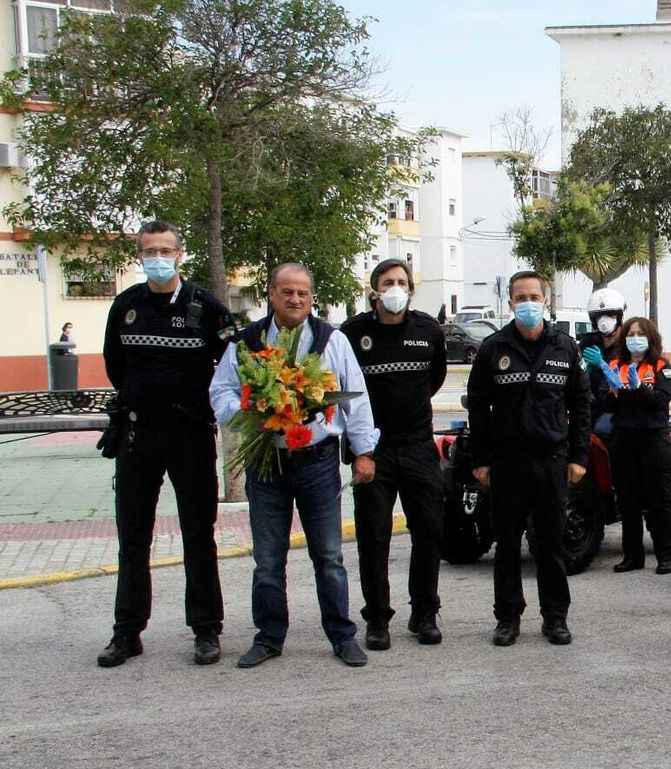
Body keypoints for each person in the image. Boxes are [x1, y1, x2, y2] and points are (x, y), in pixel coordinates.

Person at [210, 263, 379, 668]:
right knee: (268, 558)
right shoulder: (246, 342)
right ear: (271, 294)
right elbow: (221, 391)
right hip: (266, 461)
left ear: (311, 297)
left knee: (329, 556)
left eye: (302, 293)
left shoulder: (331, 340)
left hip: (317, 461)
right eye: (287, 292)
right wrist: (251, 408)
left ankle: (341, 636)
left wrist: (364, 450)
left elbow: (355, 399)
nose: (295, 299)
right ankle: (269, 637)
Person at [96, 220, 231, 668]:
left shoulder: (206, 308)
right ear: (139, 256)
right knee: (132, 538)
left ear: (180, 254)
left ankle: (206, 630)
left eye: (165, 250)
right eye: (149, 250)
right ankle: (127, 632)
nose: (157, 258)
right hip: (138, 436)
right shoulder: (126, 306)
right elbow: (117, 366)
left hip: (190, 435)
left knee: (199, 535)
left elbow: (229, 368)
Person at [465, 271, 589, 647]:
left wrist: (578, 456)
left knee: (551, 544)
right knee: (506, 544)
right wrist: (480, 460)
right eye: (521, 297)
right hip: (506, 462)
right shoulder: (492, 349)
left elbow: (581, 405)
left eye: (535, 296)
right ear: (510, 303)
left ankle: (555, 617)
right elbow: (478, 410)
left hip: (552, 460)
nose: (528, 303)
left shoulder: (565, 348)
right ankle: (508, 618)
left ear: (546, 301)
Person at [340, 259, 448, 650]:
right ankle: (378, 619)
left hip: (419, 446)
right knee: (373, 537)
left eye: (402, 282)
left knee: (429, 533)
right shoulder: (352, 333)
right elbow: (343, 389)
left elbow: (432, 380)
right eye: (388, 282)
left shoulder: (429, 331)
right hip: (372, 451)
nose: (395, 288)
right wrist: (359, 448)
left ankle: (424, 613)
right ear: (374, 290)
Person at [600, 316, 671, 575]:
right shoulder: (615, 364)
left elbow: (661, 399)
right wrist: (612, 390)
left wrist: (638, 388)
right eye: (630, 333)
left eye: (640, 333)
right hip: (624, 439)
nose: (634, 338)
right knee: (627, 499)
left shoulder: (660, 364)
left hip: (653, 439)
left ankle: (665, 554)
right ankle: (632, 556)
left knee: (659, 498)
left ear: (650, 337)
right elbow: (607, 405)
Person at [578, 287, 627, 436]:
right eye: (599, 316)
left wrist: (601, 365)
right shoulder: (588, 342)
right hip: (589, 406)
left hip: (615, 410)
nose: (604, 320)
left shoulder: (627, 344)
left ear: (619, 316)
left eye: (610, 315)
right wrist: (585, 369)